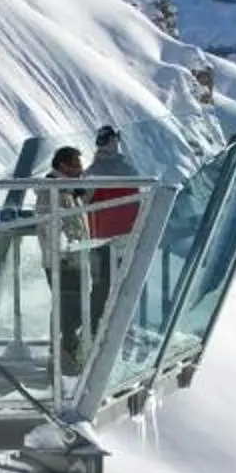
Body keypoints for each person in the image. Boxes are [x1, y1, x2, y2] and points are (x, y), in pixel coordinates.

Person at [36, 143, 89, 372]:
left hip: (71, 258)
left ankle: (66, 356)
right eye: (76, 165)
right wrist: (64, 253)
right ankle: (63, 359)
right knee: (68, 310)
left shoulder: (68, 191)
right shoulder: (53, 191)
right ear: (63, 166)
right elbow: (50, 227)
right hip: (63, 261)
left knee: (71, 308)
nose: (81, 170)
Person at [84, 123, 138, 331]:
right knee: (107, 286)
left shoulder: (95, 171)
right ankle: (99, 328)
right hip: (108, 239)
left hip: (112, 237)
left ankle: (101, 327)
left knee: (106, 286)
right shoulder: (117, 171)